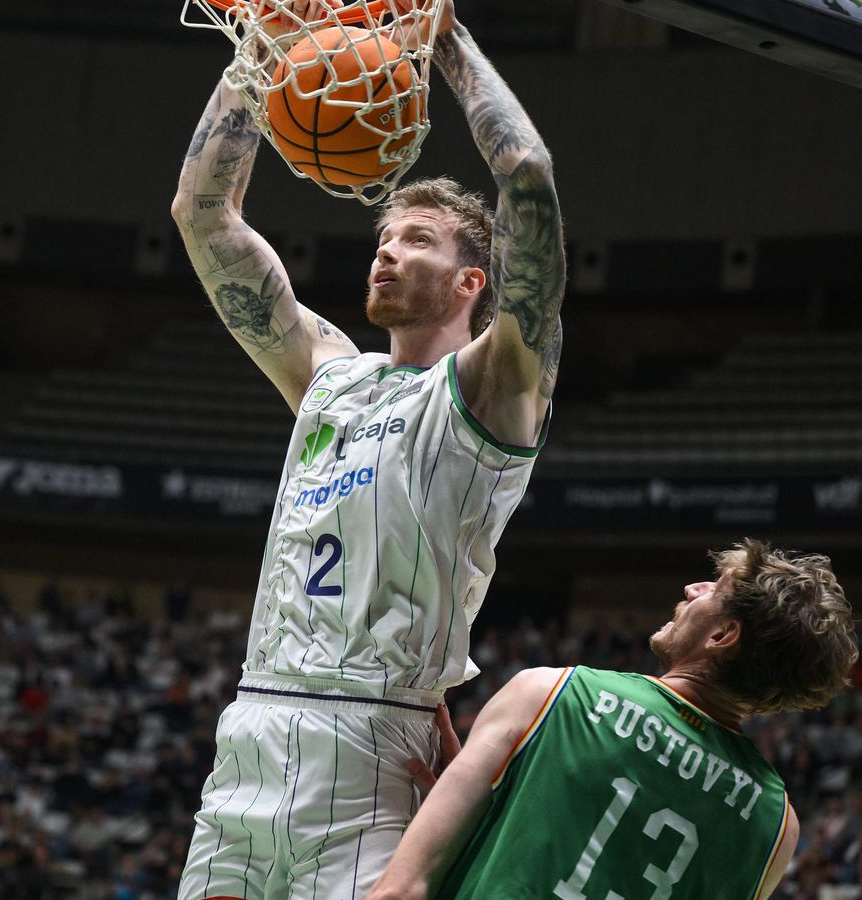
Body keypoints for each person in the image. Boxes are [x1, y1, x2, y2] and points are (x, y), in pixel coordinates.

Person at [169, 0, 565, 894]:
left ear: (473, 281)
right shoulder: (327, 374)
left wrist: (450, 47)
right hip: (254, 726)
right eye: (382, 239)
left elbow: (530, 177)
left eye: (415, 241)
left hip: (377, 749)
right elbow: (202, 210)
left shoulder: (492, 390)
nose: (385, 255)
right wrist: (264, 52)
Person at [367, 539, 860, 900]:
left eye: (714, 589)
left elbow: (399, 892)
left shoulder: (551, 694)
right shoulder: (777, 829)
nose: (692, 588)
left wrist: (452, 822)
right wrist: (491, 818)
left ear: (723, 636)